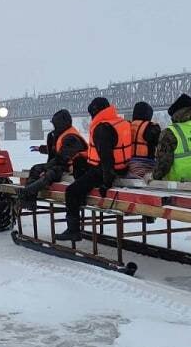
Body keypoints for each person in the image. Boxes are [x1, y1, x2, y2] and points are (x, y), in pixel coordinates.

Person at [55, 97, 133, 241]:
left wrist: (106, 183)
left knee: (71, 191)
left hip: (103, 171)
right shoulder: (120, 122)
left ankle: (73, 230)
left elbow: (106, 159)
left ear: (96, 111)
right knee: (79, 162)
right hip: (123, 167)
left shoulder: (101, 128)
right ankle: (82, 197)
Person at [19, 109, 88, 203]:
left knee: (50, 173)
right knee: (35, 168)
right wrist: (40, 149)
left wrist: (46, 168)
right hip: (63, 164)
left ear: (60, 123)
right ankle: (29, 198)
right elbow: (55, 149)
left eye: (55, 124)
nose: (54, 126)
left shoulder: (71, 138)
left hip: (74, 167)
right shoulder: (63, 135)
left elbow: (62, 158)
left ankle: (27, 192)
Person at [127, 101, 161, 178]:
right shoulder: (151, 128)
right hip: (147, 165)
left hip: (128, 165)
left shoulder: (127, 126)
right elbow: (161, 146)